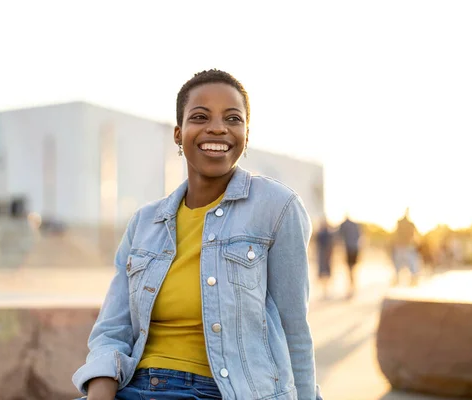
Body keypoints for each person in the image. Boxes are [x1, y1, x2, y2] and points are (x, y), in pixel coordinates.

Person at [72, 70, 322, 400]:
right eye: (200, 117)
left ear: (246, 134)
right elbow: (112, 329)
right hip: (133, 387)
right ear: (178, 134)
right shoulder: (145, 223)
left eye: (233, 118)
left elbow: (295, 330)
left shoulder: (277, 207)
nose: (218, 127)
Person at [392, 208, 420, 285]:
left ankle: (411, 279)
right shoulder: (404, 223)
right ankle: (400, 279)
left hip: (404, 245)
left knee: (406, 263)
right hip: (403, 245)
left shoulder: (403, 222)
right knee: (406, 263)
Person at [338, 214, 361, 298]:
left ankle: (351, 286)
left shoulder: (344, 224)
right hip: (355, 248)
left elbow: (339, 235)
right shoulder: (355, 225)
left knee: (350, 269)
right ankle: (353, 286)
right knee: (352, 268)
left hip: (348, 248)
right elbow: (359, 236)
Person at [316, 218, 334, 300]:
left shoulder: (324, 233)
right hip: (324, 255)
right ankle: (325, 291)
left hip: (325, 255)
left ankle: (325, 291)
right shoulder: (324, 233)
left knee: (325, 273)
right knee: (324, 272)